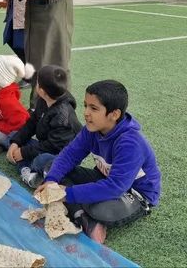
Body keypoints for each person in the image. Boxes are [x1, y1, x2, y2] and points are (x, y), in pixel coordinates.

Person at [35, 80, 162, 244]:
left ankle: (87, 216)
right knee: (51, 166)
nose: (86, 113)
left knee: (98, 209)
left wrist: (66, 193)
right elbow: (69, 155)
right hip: (103, 178)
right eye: (86, 105)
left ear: (114, 114)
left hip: (134, 195)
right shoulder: (91, 129)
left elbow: (115, 187)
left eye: (93, 108)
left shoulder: (130, 143)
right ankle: (84, 218)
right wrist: (52, 181)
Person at [7, 65, 82, 188]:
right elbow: (32, 123)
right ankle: (30, 172)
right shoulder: (44, 99)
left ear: (41, 90)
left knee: (40, 160)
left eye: (37, 82)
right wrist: (16, 143)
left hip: (61, 153)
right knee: (13, 137)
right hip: (45, 145)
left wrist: (24, 152)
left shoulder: (62, 116)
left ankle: (27, 171)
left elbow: (53, 146)